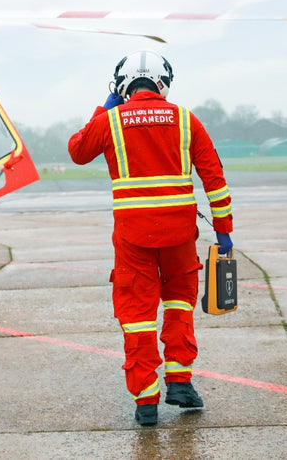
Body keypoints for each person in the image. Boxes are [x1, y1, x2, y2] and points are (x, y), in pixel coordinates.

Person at [67, 50, 233, 426]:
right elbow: (214, 178)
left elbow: (77, 152)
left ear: (122, 85)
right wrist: (223, 229)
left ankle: (146, 402)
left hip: (133, 237)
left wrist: (105, 108)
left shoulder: (110, 121)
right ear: (164, 83)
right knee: (178, 304)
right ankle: (180, 382)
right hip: (179, 235)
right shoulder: (186, 120)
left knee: (137, 314)